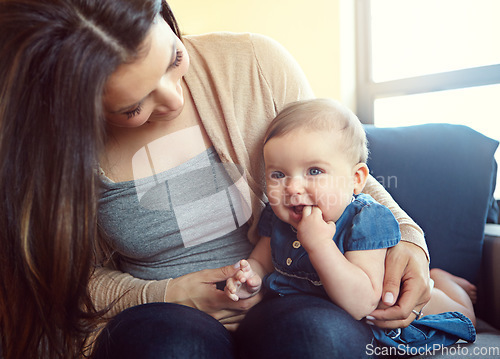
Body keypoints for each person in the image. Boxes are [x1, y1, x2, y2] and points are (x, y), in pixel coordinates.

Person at [0, 0, 432, 358]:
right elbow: (58, 282)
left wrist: (411, 239)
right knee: (168, 348)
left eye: (174, 58)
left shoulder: (256, 64)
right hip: (161, 316)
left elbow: (341, 170)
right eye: (133, 107)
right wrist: (169, 294)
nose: (174, 97)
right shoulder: (44, 152)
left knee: (315, 338)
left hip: (289, 297)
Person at [225, 98, 477, 352]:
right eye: (278, 174)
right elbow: (262, 262)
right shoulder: (278, 218)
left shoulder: (366, 220)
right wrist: (250, 278)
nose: (292, 187)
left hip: (395, 301)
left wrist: (321, 245)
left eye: (314, 171)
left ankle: (445, 282)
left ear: (356, 180)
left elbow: (361, 303)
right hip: (311, 314)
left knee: (466, 318)